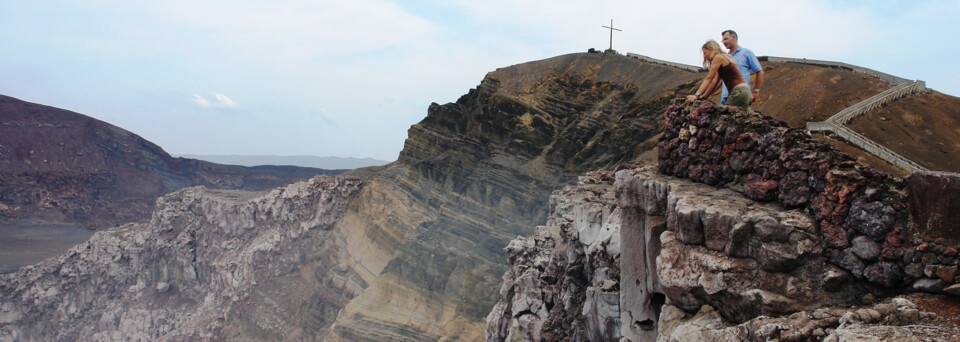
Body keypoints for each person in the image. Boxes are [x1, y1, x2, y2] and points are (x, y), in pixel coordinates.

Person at [686, 40, 752, 111]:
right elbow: (716, 82)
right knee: (743, 118)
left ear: (711, 49)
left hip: (738, 92)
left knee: (726, 117)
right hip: (746, 92)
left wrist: (696, 95)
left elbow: (709, 78)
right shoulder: (727, 56)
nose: (704, 56)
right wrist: (704, 97)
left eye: (705, 53)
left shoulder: (718, 57)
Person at [720, 30, 763, 104]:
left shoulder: (746, 53)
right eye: (722, 40)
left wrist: (756, 91)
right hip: (725, 97)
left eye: (726, 39)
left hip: (740, 95)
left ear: (733, 37)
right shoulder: (726, 56)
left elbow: (759, 71)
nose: (724, 42)